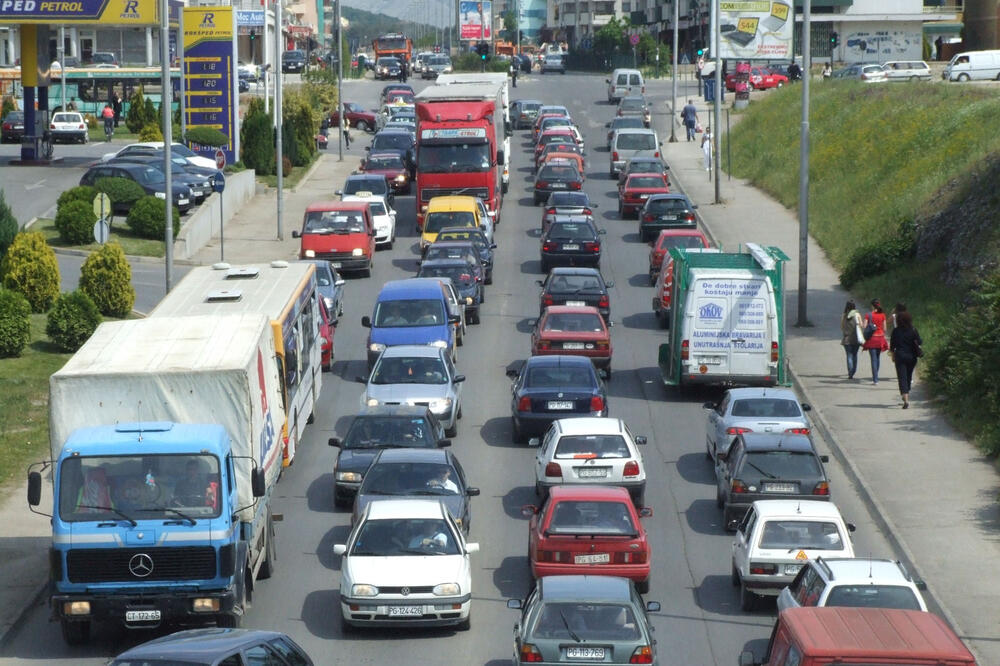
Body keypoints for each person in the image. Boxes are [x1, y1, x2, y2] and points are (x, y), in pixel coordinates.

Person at [890, 311, 922, 409]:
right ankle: (906, 393)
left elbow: (892, 346)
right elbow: (920, 341)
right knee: (908, 376)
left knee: (902, 377)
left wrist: (892, 354)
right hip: (912, 357)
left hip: (900, 356)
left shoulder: (896, 331)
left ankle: (905, 398)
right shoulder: (913, 330)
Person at [862, 298, 889, 384]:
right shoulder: (883, 315)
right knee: (877, 358)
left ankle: (875, 379)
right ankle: (876, 375)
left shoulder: (868, 315)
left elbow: (864, 326)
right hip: (880, 338)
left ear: (872, 306)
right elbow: (885, 328)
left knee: (873, 359)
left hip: (872, 339)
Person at [840, 299, 863, 380]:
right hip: (856, 339)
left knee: (849, 355)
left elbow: (842, 327)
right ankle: (853, 371)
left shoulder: (844, 315)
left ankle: (850, 372)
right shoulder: (857, 314)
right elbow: (861, 325)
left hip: (846, 338)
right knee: (854, 355)